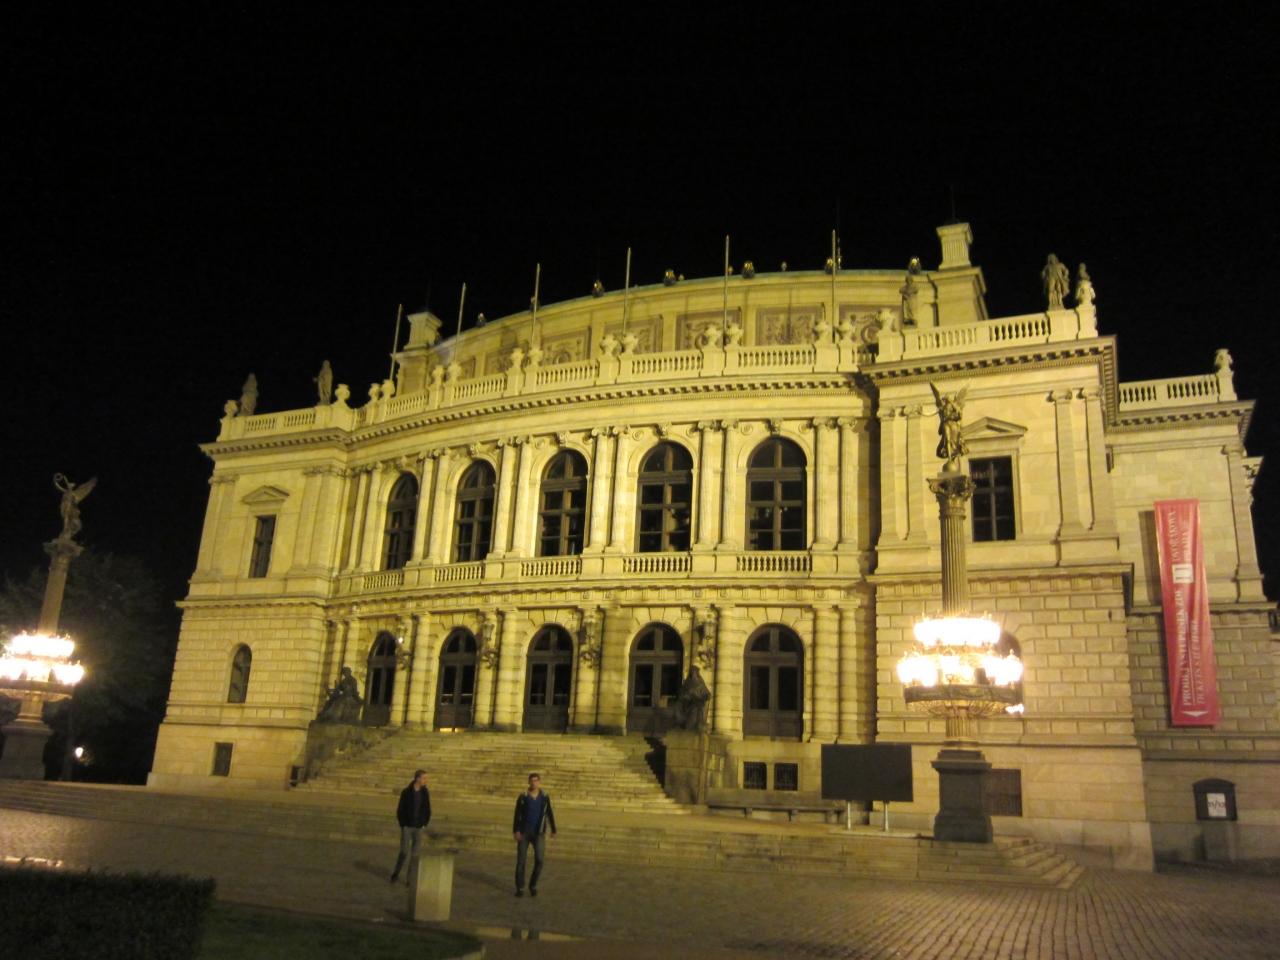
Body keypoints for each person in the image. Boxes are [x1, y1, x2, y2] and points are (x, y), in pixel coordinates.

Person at [512, 772, 556, 897]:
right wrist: (516, 830)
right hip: (524, 832)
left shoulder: (544, 797)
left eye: (536, 780)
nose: (534, 783)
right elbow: (517, 814)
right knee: (521, 861)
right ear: (529, 782)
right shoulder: (523, 797)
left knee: (540, 860)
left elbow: (549, 812)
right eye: (532, 780)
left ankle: (533, 885)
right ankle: (520, 887)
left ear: (539, 782)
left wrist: (553, 829)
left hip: (539, 833)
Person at [390, 769, 431, 884]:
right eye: (424, 778)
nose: (426, 780)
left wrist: (424, 823)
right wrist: (403, 824)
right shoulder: (406, 792)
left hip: (419, 827)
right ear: (417, 778)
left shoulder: (425, 793)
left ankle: (409, 878)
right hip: (407, 826)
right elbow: (400, 809)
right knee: (404, 851)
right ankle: (396, 872)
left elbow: (427, 809)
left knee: (415, 855)